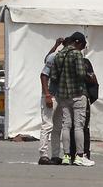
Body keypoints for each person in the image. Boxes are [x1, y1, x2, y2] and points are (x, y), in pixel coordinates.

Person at [50, 32, 94, 167]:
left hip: (63, 96)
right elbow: (80, 73)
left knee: (66, 126)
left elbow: (54, 76)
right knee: (79, 126)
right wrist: (88, 76)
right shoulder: (77, 54)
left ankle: (66, 156)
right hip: (78, 94)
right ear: (78, 43)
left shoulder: (59, 55)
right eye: (83, 45)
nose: (82, 48)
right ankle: (79, 156)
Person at [38, 37, 68, 165]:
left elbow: (46, 58)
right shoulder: (55, 57)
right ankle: (43, 155)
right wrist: (47, 95)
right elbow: (44, 75)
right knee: (47, 125)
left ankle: (55, 155)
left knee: (57, 127)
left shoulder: (67, 58)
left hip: (60, 96)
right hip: (51, 94)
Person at [68, 56, 98, 161]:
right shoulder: (83, 62)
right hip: (81, 96)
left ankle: (70, 154)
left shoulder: (63, 60)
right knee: (81, 127)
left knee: (69, 127)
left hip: (66, 97)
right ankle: (82, 154)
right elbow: (93, 80)